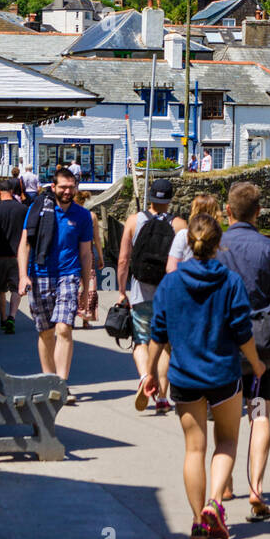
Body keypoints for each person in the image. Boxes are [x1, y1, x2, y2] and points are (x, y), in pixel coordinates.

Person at [146, 213, 265, 539]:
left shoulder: (170, 283)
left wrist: (151, 374)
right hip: (223, 374)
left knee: (193, 449)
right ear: (218, 245)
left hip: (184, 376)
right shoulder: (230, 282)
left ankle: (199, 522)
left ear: (188, 244)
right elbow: (243, 332)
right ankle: (216, 502)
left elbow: (158, 332)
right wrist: (255, 363)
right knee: (226, 441)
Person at [218, 181, 270, 518]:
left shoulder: (216, 246)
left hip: (224, 342)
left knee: (226, 418)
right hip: (263, 343)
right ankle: (257, 489)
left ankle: (223, 486)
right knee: (260, 413)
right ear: (259, 212)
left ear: (227, 211)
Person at [17, 166, 93, 401]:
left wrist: (87, 284)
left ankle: (61, 384)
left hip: (67, 275)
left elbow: (86, 253)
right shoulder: (37, 210)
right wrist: (23, 275)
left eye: (71, 187)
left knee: (63, 328)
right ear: (54, 188)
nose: (68, 191)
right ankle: (48, 380)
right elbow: (24, 245)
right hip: (39, 274)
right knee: (46, 332)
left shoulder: (82, 216)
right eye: (63, 187)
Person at [117, 177, 187, 413]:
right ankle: (162, 398)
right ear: (171, 198)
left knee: (141, 340)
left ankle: (146, 377)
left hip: (139, 293)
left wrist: (121, 291)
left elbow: (123, 260)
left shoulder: (134, 221)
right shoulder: (179, 225)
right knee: (166, 346)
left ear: (150, 196)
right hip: (169, 295)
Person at [0, 177, 28, 333]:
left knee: (0, 290)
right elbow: (27, 235)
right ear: (11, 192)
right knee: (16, 289)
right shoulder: (23, 209)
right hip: (18, 256)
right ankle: (12, 316)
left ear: (0, 192)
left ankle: (2, 318)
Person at [167, 193, 221, 272]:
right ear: (216, 213)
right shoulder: (221, 237)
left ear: (194, 211)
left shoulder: (183, 235)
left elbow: (171, 268)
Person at [76, 190, 103, 327]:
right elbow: (97, 239)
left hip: (73, 254)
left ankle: (69, 319)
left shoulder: (71, 215)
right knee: (88, 284)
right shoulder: (91, 216)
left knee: (74, 284)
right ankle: (86, 319)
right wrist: (100, 256)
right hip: (88, 254)